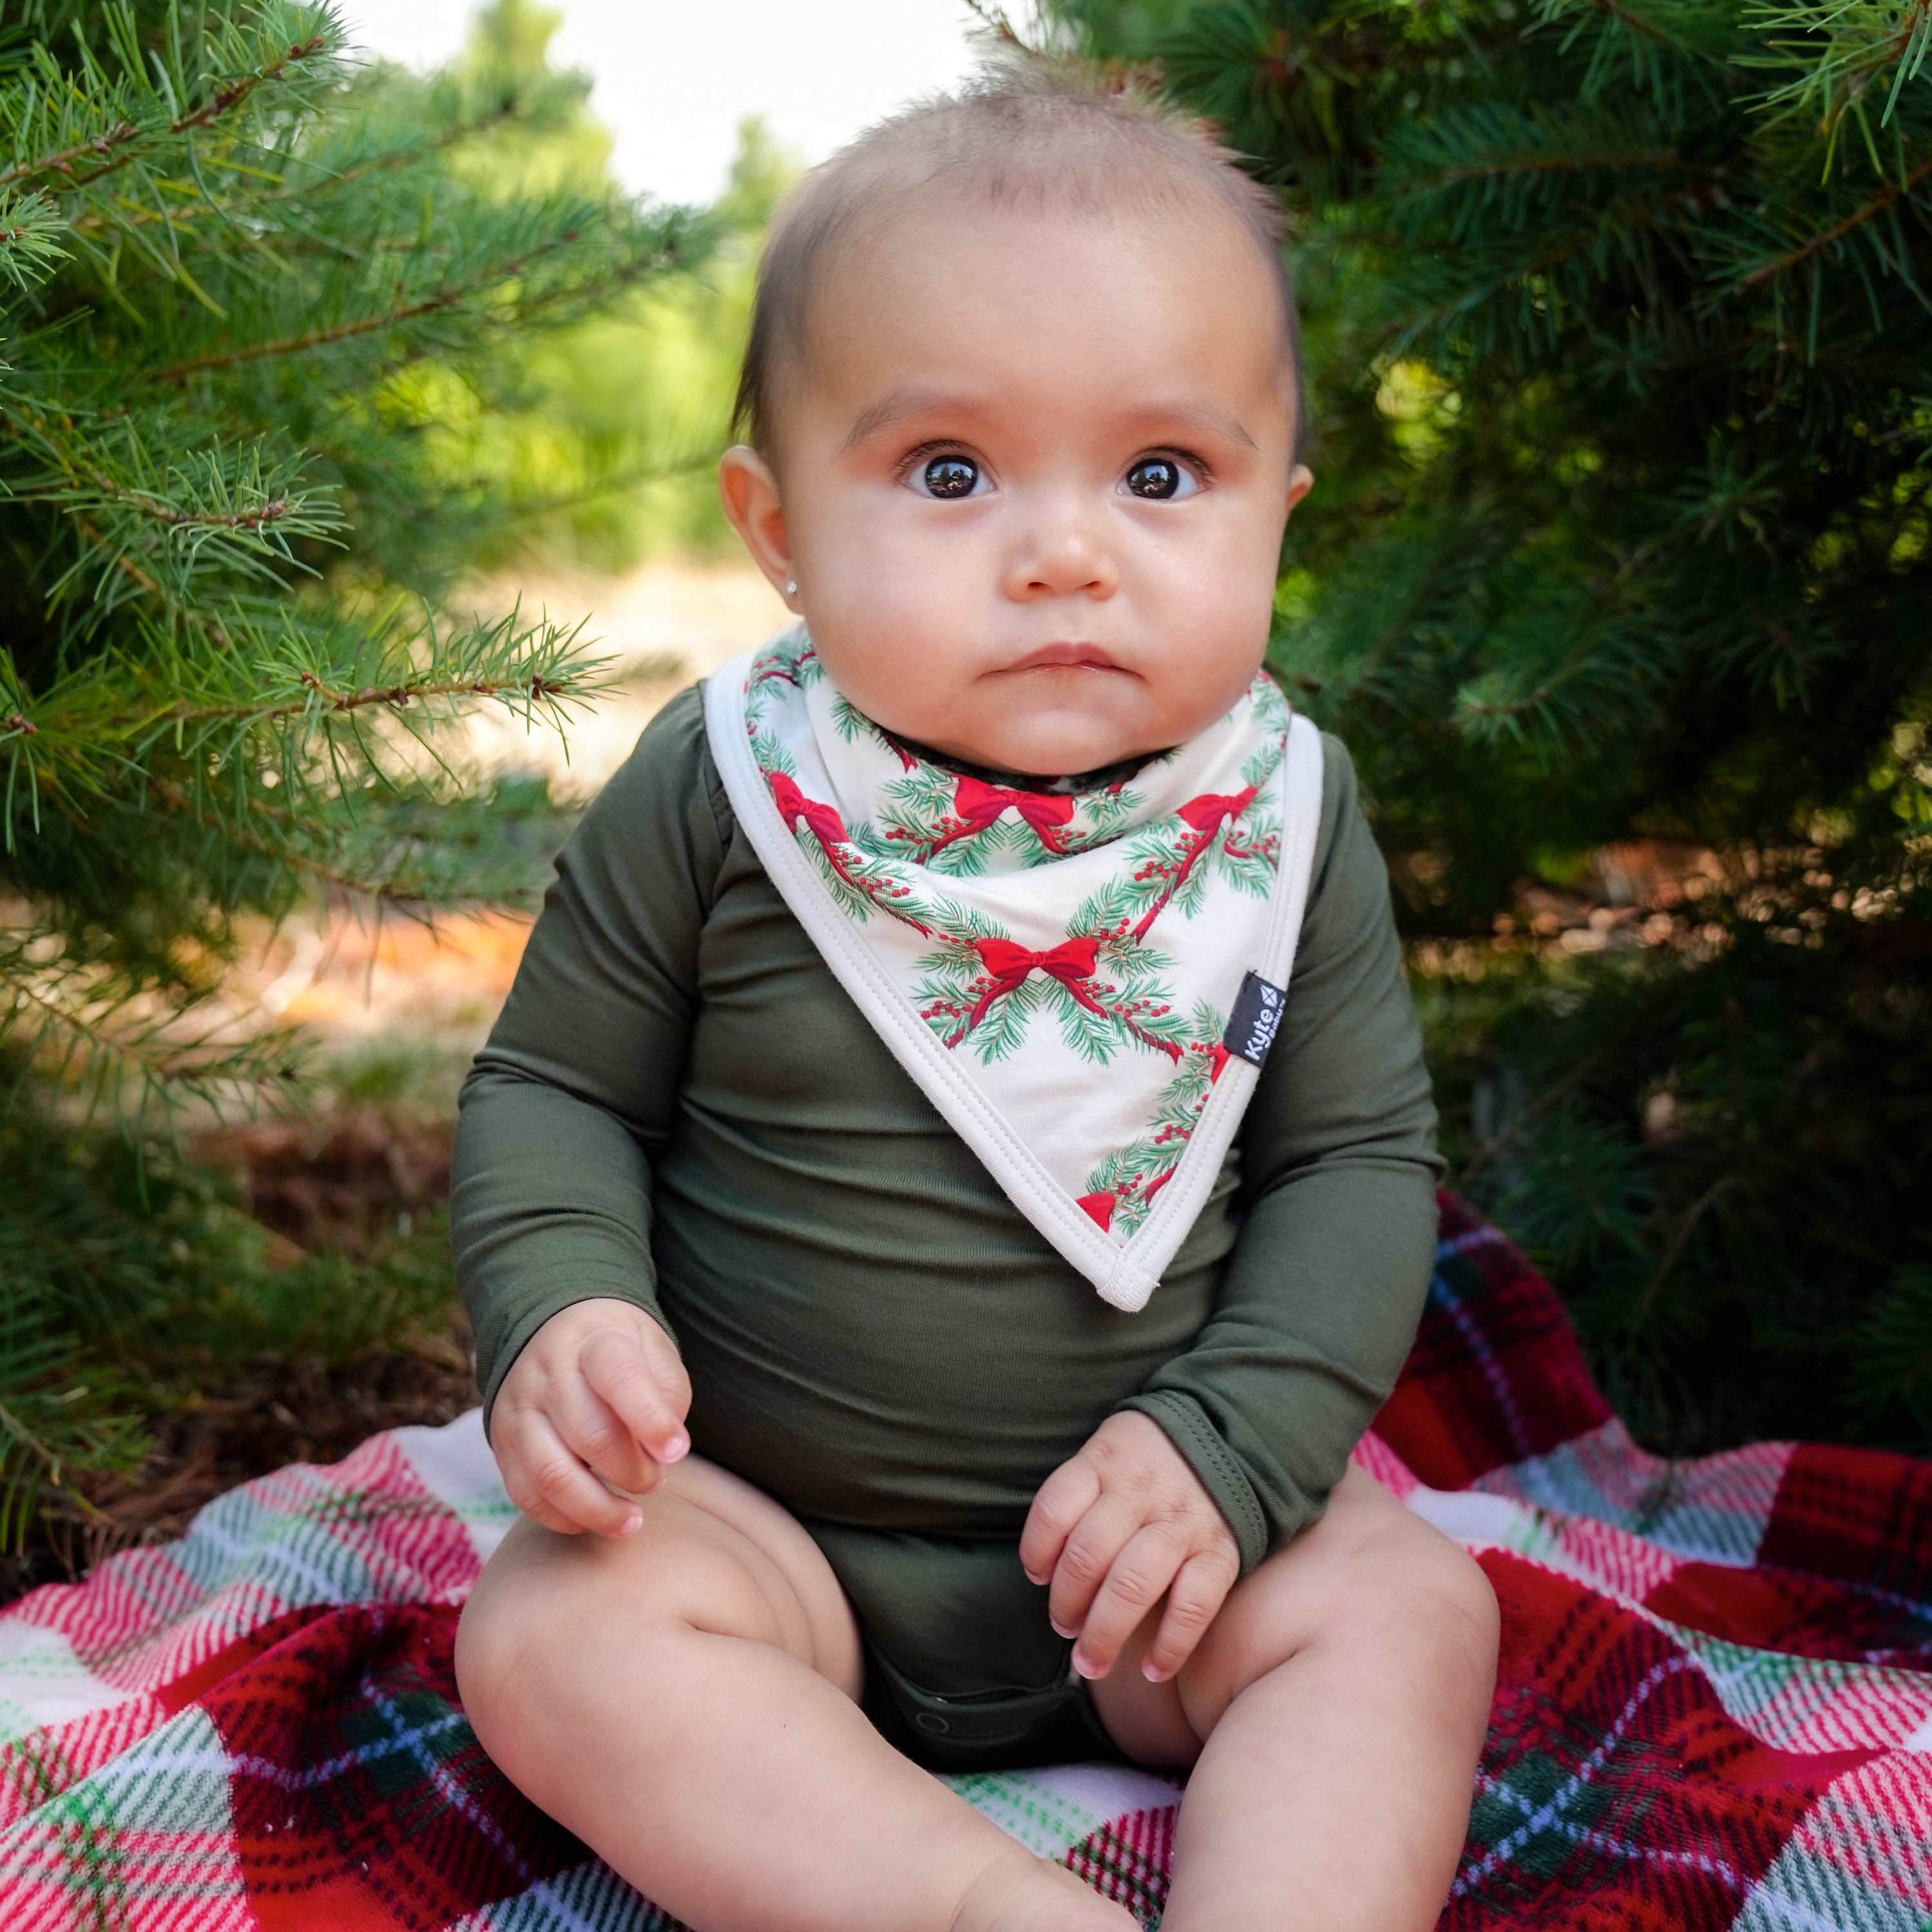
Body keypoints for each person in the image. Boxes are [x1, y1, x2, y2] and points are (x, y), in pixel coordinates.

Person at [451, 69, 1499, 1932]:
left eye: (1163, 476)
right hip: (770, 1547)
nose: (1068, 551)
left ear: (1281, 510)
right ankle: (964, 1905)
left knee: (1409, 1608)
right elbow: (557, 1092)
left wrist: (1233, 1449)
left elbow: (1354, 1161)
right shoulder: (728, 789)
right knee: (545, 1629)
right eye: (951, 473)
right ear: (775, 525)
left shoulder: (1278, 825)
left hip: (1160, 1575)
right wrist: (567, 1308)